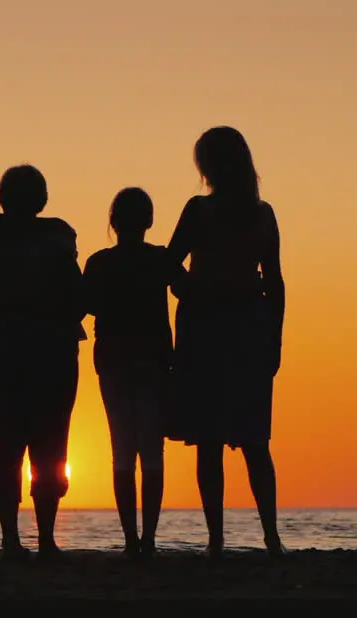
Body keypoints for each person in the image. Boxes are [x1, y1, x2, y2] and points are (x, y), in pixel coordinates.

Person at [167, 126, 286, 559]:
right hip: (239, 327)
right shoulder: (260, 213)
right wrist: (274, 337)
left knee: (215, 440)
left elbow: (169, 264)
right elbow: (274, 283)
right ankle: (266, 538)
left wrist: (191, 289)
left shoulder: (208, 211)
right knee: (250, 440)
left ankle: (221, 540)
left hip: (218, 328)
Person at [0, 165, 84, 560]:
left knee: (6, 442)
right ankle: (45, 538)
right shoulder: (58, 237)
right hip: (52, 350)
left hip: (4, 350)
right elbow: (77, 292)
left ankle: (12, 539)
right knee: (50, 443)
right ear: (41, 199)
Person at [83, 188, 180, 559]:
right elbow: (187, 290)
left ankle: (130, 541)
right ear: (149, 221)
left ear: (113, 222)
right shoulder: (160, 260)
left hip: (112, 360)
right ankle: (149, 539)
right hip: (153, 359)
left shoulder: (99, 263)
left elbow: (85, 304)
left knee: (122, 449)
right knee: (151, 452)